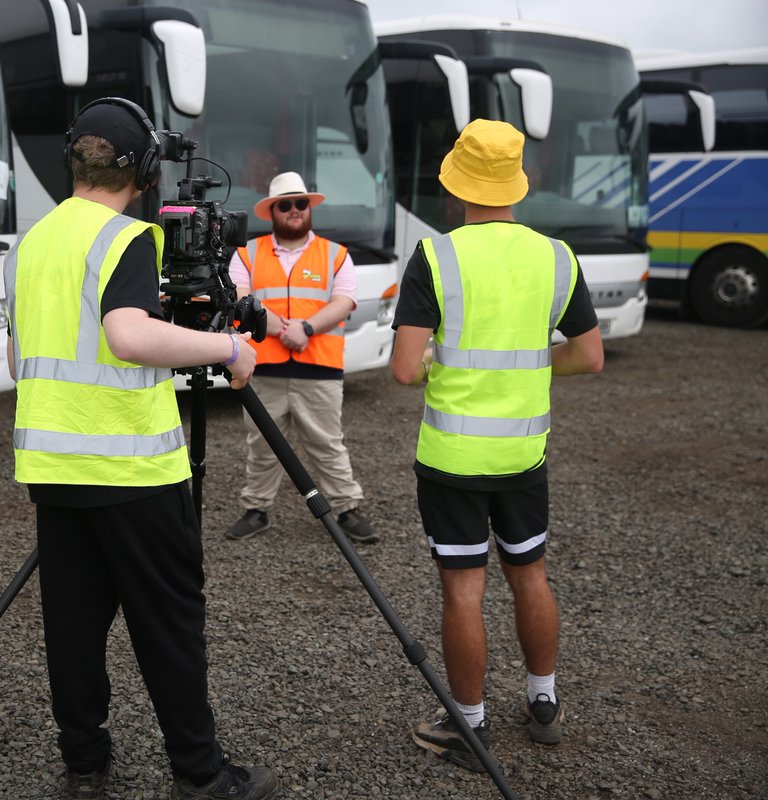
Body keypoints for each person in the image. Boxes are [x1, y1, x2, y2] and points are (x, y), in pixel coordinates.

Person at [4, 98, 278, 800]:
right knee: (169, 625)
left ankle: (84, 756)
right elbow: (128, 335)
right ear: (147, 172)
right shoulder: (126, 240)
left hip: (53, 465)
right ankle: (200, 771)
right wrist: (227, 345)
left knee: (73, 623)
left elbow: (18, 358)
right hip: (131, 468)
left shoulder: (32, 243)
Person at [389, 119, 604, 772]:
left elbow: (402, 370)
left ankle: (470, 725)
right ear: (515, 184)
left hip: (453, 460)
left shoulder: (436, 256)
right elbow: (589, 356)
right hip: (523, 455)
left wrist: (442, 364)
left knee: (464, 591)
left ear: (457, 186)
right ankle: (543, 703)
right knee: (530, 574)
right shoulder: (556, 256)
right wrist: (533, 365)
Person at [224, 171, 378, 544]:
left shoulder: (336, 254)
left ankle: (347, 508)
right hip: (262, 366)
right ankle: (256, 509)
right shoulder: (246, 253)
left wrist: (305, 329)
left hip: (319, 367)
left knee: (327, 443)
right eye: (285, 204)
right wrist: (283, 329)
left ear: (308, 209)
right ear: (272, 211)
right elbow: (240, 302)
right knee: (261, 443)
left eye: (300, 203)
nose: (294, 210)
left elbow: (344, 303)